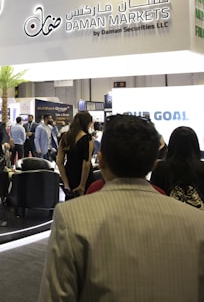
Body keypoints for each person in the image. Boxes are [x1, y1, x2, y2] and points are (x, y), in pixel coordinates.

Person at [38, 114, 204, 301]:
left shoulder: (71, 218)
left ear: (100, 160)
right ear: (152, 164)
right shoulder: (197, 222)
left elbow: (56, 296)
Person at [150, 126, 204, 209]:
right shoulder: (202, 168)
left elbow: (155, 196)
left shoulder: (160, 168)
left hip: (167, 215)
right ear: (195, 145)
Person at [56, 111, 95, 198]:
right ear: (87, 123)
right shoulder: (88, 139)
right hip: (85, 176)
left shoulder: (65, 137)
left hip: (69, 174)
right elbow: (86, 164)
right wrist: (82, 185)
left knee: (71, 207)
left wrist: (66, 183)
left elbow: (59, 161)